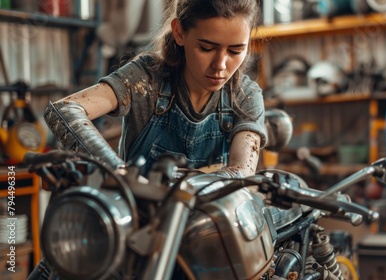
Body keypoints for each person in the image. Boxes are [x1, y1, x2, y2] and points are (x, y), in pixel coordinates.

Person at [43, 0, 267, 178]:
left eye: (236, 51)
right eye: (206, 48)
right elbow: (65, 109)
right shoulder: (146, 79)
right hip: (140, 224)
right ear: (179, 32)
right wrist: (115, 170)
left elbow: (242, 173)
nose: (220, 65)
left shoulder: (245, 95)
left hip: (207, 228)